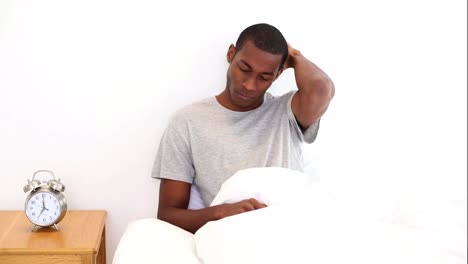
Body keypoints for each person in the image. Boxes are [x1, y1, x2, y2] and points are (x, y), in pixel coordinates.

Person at [152, 23, 335, 233]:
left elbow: (322, 89)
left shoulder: (287, 111)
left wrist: (294, 56)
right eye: (244, 69)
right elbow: (168, 214)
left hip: (291, 230)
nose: (249, 85)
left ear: (278, 75)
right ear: (231, 54)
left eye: (264, 77)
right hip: (232, 237)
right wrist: (221, 213)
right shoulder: (187, 121)